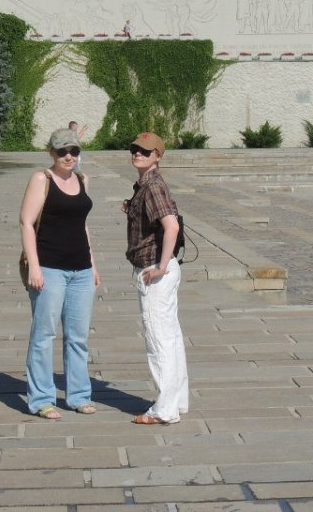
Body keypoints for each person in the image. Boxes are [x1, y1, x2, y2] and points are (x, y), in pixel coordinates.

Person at [19, 128, 101, 418]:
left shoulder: (82, 179)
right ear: (51, 153)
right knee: (44, 335)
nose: (69, 157)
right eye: (62, 151)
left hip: (80, 269)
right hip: (50, 268)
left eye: (74, 151)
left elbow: (82, 224)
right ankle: (41, 399)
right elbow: (26, 223)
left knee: (78, 337)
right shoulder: (42, 179)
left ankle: (79, 396)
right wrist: (35, 266)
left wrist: (92, 262)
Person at [122, 131, 188, 424]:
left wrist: (160, 267)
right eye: (135, 149)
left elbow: (171, 226)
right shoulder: (146, 185)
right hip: (161, 268)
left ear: (157, 156)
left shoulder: (152, 187)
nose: (138, 153)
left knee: (159, 340)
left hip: (154, 271)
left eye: (146, 151)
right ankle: (177, 401)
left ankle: (164, 410)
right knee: (170, 338)